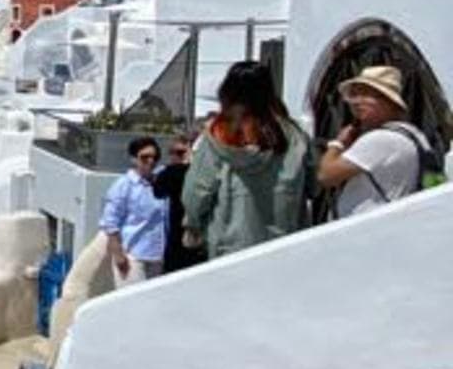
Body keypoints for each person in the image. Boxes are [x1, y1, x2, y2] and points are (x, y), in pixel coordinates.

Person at [183, 60, 311, 260]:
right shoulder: (295, 135)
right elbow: (315, 184)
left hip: (230, 248)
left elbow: (197, 191)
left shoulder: (218, 136)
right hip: (284, 246)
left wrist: (193, 225)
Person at [315, 64, 432, 216]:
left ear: (389, 101)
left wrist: (337, 144)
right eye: (354, 95)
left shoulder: (379, 139)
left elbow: (326, 176)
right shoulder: (414, 134)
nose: (357, 101)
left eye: (366, 95)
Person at [100, 134, 166, 283]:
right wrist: (118, 254)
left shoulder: (161, 182)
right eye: (145, 157)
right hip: (133, 257)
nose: (150, 161)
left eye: (154, 157)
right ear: (134, 159)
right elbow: (110, 221)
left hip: (158, 257)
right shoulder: (124, 185)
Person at [152, 136, 197, 270]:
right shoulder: (168, 173)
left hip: (193, 238)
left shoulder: (196, 173)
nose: (177, 157)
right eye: (173, 153)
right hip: (173, 239)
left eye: (181, 153)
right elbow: (158, 190)